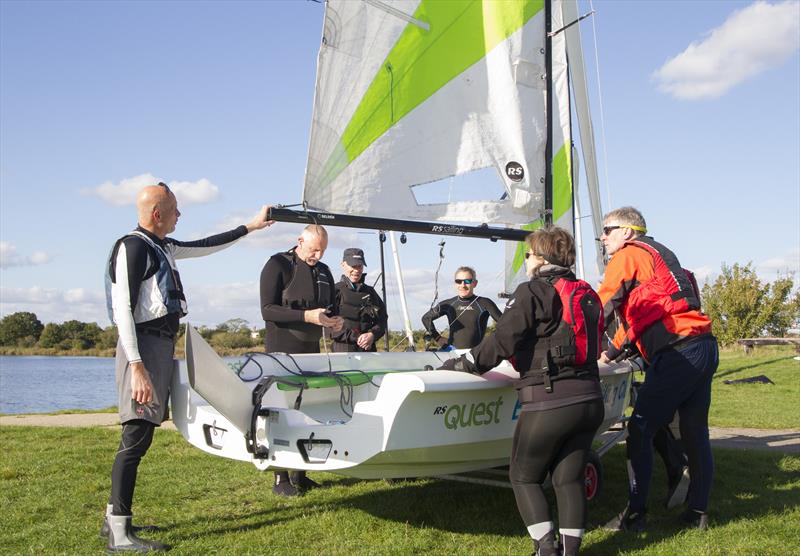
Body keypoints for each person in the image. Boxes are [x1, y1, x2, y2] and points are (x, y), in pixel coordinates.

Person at [103, 182, 272, 552]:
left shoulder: (163, 246)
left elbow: (208, 245)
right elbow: (122, 312)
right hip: (142, 349)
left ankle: (114, 516)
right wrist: (137, 367)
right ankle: (119, 532)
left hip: (160, 348)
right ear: (157, 213)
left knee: (139, 436)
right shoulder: (132, 247)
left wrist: (251, 227)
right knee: (135, 436)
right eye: (176, 209)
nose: (181, 215)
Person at [438, 227, 604, 556]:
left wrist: (465, 364)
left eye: (528, 254)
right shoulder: (586, 291)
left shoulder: (533, 291)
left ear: (541, 259)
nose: (526, 260)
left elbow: (502, 339)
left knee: (523, 477)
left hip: (550, 401)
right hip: (590, 398)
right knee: (567, 480)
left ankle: (545, 548)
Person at [597, 206, 718, 532]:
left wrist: (575, 342)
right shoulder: (660, 254)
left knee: (639, 428)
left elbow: (600, 307)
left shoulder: (628, 254)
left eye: (607, 230)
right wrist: (609, 353)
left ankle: (635, 516)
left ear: (627, 231)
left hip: (676, 354)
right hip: (703, 345)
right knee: (695, 433)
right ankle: (697, 513)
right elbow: (641, 316)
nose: (603, 237)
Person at [259, 224, 344, 496]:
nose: (317, 255)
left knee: (306, 410)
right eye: (313, 249)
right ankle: (280, 479)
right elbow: (267, 310)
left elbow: (330, 308)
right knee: (281, 412)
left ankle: (300, 473)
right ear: (299, 241)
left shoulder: (324, 271)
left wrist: (335, 322)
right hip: (281, 348)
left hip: (311, 349)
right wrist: (304, 316)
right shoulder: (278, 264)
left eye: (322, 251)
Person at [421, 266, 502, 349]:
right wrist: (438, 338)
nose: (463, 285)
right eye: (458, 281)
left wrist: (492, 342)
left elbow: (505, 323)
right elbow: (426, 318)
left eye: (467, 281)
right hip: (453, 353)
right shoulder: (449, 303)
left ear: (475, 283)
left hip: (477, 355)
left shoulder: (484, 302)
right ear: (455, 284)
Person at [330, 248, 387, 352]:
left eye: (359, 266)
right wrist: (357, 337)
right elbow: (327, 325)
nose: (356, 270)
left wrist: (372, 334)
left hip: (368, 351)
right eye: (353, 266)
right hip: (343, 351)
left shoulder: (370, 292)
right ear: (343, 265)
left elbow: (383, 319)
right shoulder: (335, 291)